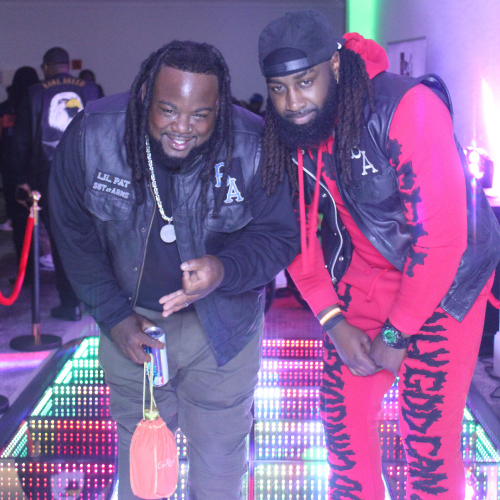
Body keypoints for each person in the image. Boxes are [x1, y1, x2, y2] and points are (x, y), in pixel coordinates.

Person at [257, 10, 500, 500]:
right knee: (342, 424)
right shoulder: (289, 132)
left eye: (305, 82)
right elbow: (295, 236)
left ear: (335, 66)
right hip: (365, 278)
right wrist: (333, 321)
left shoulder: (406, 107)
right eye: (279, 88)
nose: (292, 102)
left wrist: (398, 332)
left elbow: (442, 240)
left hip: (444, 283)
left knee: (427, 442)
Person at [48, 40, 299, 500]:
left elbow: (280, 234)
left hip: (224, 333)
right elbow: (71, 231)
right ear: (145, 92)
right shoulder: (92, 135)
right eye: (168, 110)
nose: (182, 128)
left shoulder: (256, 143)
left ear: (219, 107)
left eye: (200, 115)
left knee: (220, 474)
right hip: (134, 326)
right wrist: (115, 317)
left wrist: (224, 268)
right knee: (144, 477)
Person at [12, 47, 100, 320]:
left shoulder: (35, 93)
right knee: (93, 238)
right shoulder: (91, 89)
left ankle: (70, 303)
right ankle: (97, 301)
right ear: (68, 66)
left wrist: (20, 180)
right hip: (88, 175)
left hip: (49, 177)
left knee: (61, 241)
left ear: (46, 67)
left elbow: (22, 141)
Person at [0, 67, 39, 279]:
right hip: (39, 175)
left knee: (20, 226)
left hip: (12, 176)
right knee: (50, 225)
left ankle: (26, 273)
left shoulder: (4, 110)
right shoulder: (39, 105)